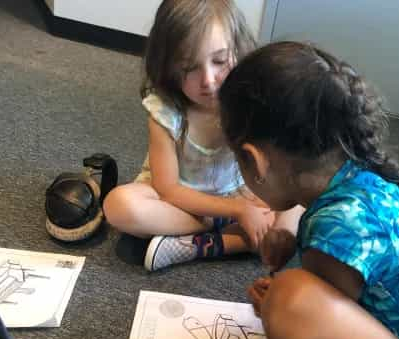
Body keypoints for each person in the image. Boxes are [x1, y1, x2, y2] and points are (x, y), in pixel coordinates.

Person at [219, 41, 399, 339]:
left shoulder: (337, 229)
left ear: (255, 162)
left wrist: (275, 328)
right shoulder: (361, 175)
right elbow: (345, 314)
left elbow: (307, 320)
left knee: (290, 300)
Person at [103, 1, 304, 272]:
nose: (208, 80)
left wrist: (265, 207)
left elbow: (277, 166)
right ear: (168, 67)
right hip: (180, 201)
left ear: (238, 48)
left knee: (295, 210)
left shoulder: (253, 100)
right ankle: (225, 235)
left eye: (219, 61)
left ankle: (197, 245)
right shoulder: (165, 112)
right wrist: (238, 211)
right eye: (189, 68)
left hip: (240, 194)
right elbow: (168, 190)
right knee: (118, 206)